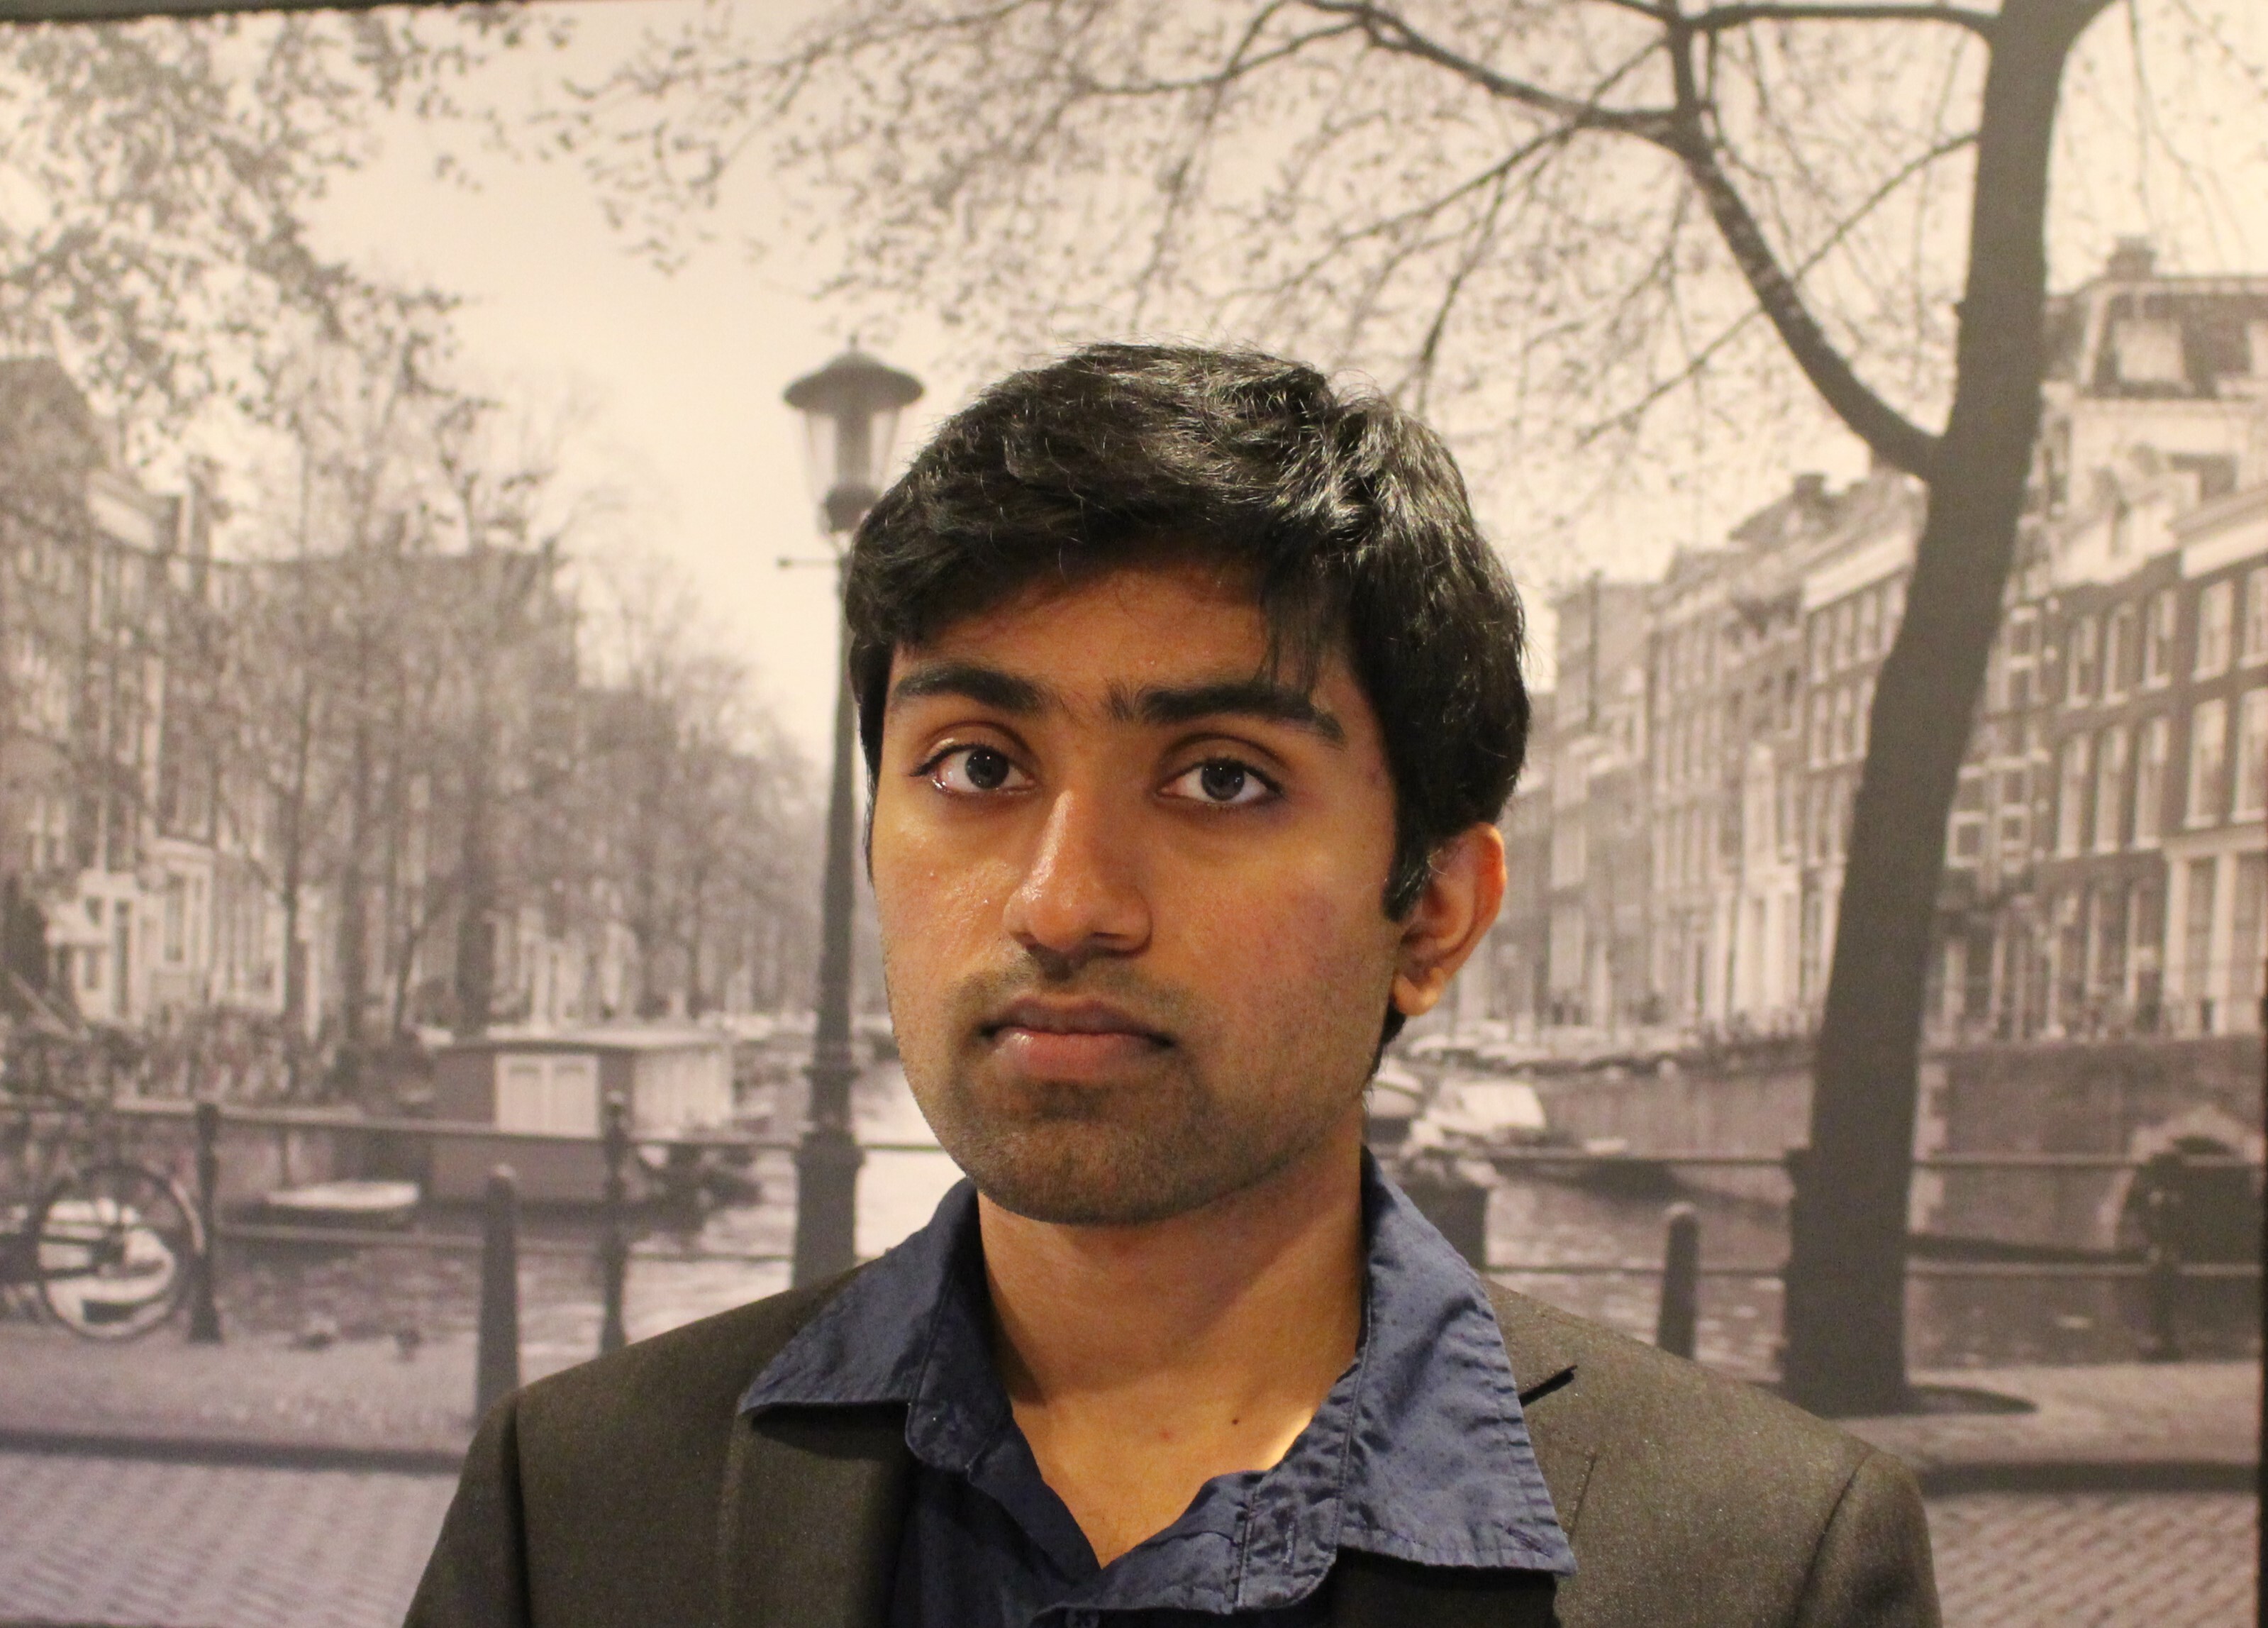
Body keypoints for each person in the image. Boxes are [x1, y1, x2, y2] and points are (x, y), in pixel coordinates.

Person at [407, 344, 1939, 1627]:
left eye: (1221, 775)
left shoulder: (1765, 1568)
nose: (1064, 899)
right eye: (977, 764)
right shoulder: (578, 1506)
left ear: (1436, 911)